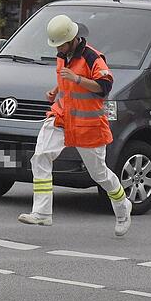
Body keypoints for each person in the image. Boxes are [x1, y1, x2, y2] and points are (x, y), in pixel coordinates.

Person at [17, 14, 132, 238]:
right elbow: (66, 80)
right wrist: (56, 90)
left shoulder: (93, 58)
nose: (57, 49)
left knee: (99, 174)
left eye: (60, 44)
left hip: (88, 126)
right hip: (62, 116)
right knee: (40, 155)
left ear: (72, 39)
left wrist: (77, 79)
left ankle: (122, 207)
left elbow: (104, 86)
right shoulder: (63, 55)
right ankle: (42, 213)